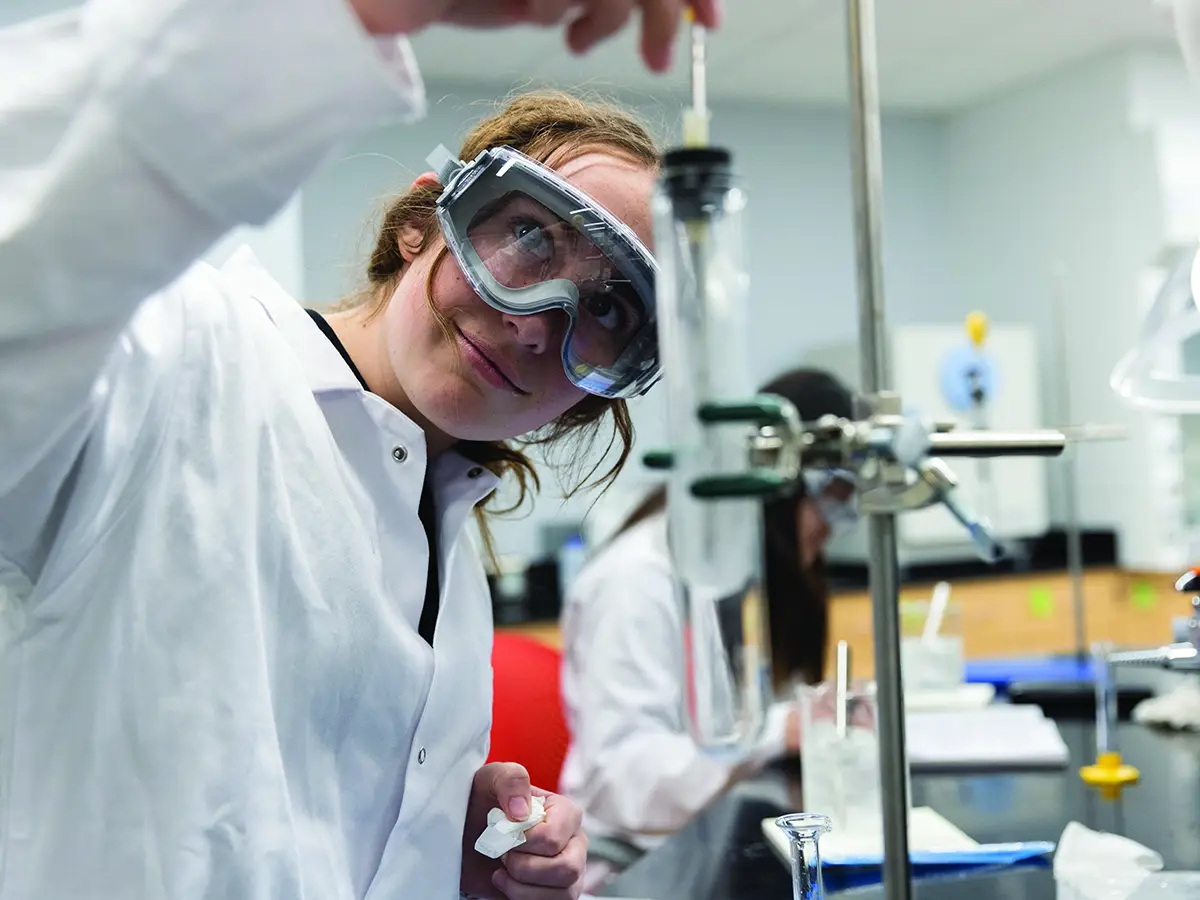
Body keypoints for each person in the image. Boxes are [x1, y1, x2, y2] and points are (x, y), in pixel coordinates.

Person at [0, 0, 722, 898]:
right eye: (528, 237)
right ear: (422, 224)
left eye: (607, 311)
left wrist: (437, 845)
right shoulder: (178, 369)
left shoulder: (444, 525)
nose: (538, 324)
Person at [558, 368, 858, 880]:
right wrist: (775, 730)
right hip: (635, 872)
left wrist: (808, 719)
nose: (835, 523)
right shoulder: (638, 581)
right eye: (829, 495)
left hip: (721, 847)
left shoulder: (746, 574)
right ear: (777, 487)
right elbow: (629, 783)